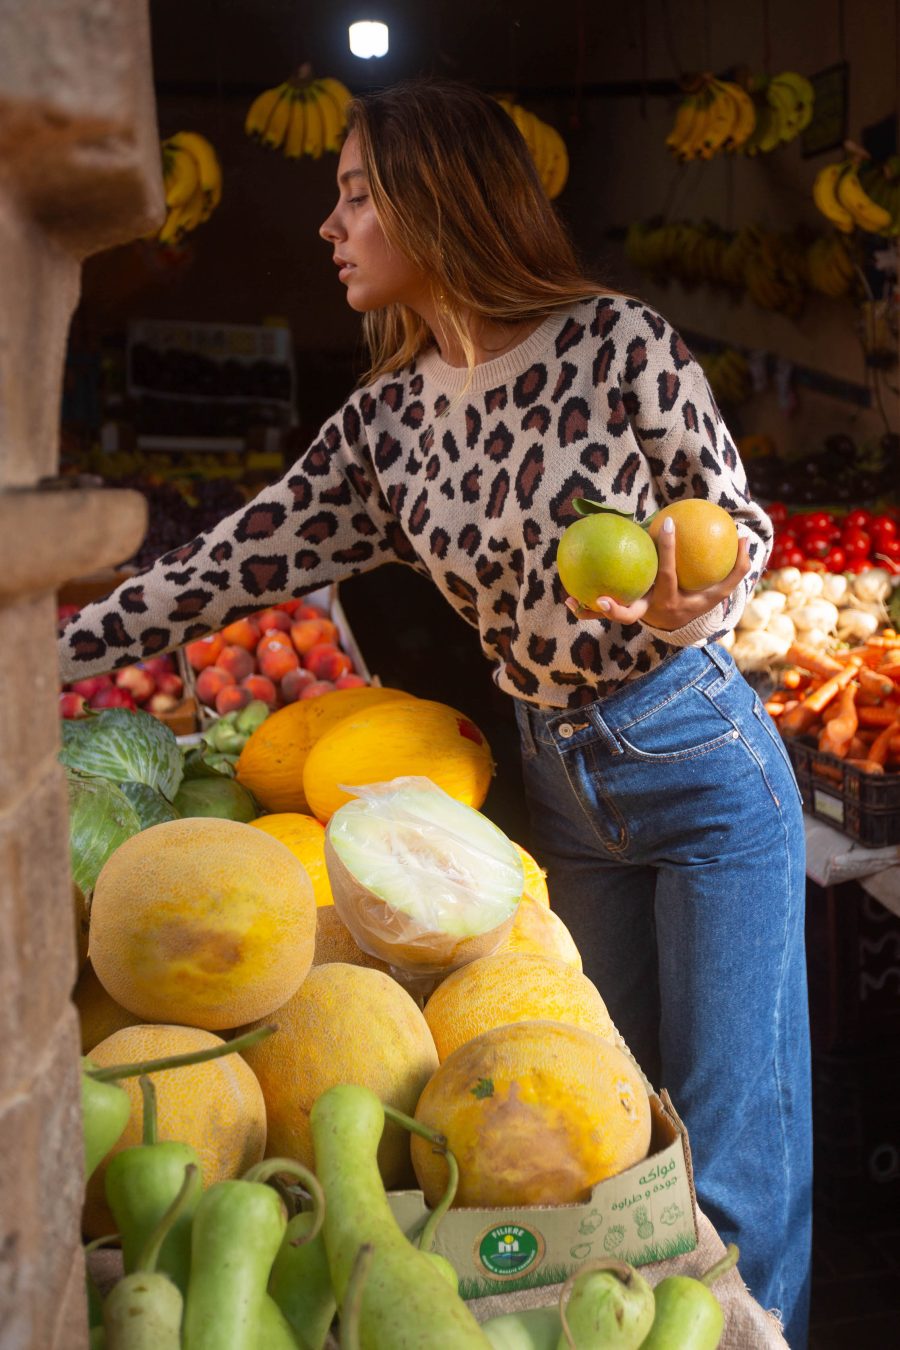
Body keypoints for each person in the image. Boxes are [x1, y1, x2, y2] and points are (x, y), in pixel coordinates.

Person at [59, 78, 811, 1345]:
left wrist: (705, 592)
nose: (330, 226)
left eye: (357, 196)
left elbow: (733, 520)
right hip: (561, 786)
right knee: (615, 1133)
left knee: (736, 1150)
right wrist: (50, 649)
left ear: (437, 202)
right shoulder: (389, 423)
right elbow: (225, 565)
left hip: (694, 756)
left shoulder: (615, 341)